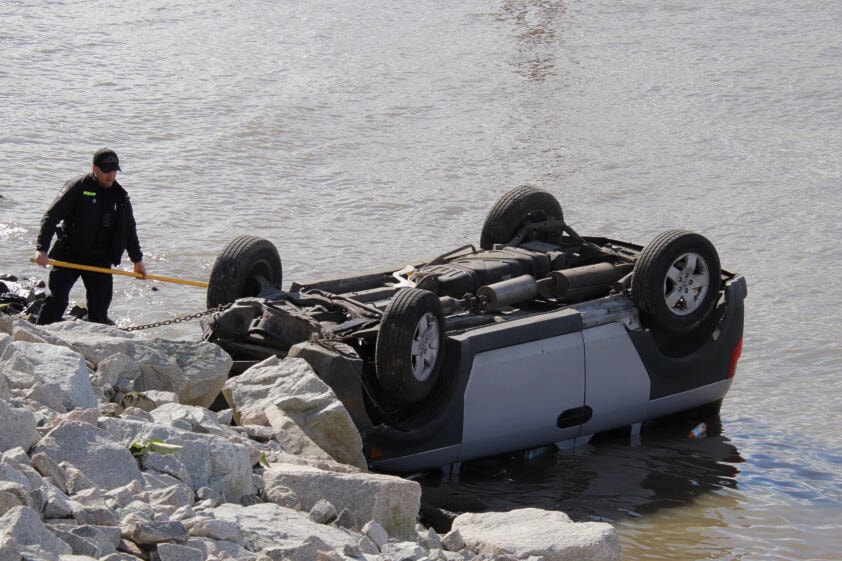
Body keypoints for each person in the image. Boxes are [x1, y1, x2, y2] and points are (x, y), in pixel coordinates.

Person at [34, 148, 147, 324]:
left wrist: (137, 261)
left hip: (100, 259)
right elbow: (50, 217)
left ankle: (98, 344)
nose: (111, 176)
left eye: (114, 171)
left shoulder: (120, 197)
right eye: (106, 171)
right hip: (70, 254)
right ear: (95, 169)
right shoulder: (76, 187)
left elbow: (129, 230)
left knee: (99, 308)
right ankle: (36, 336)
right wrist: (42, 249)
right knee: (58, 299)